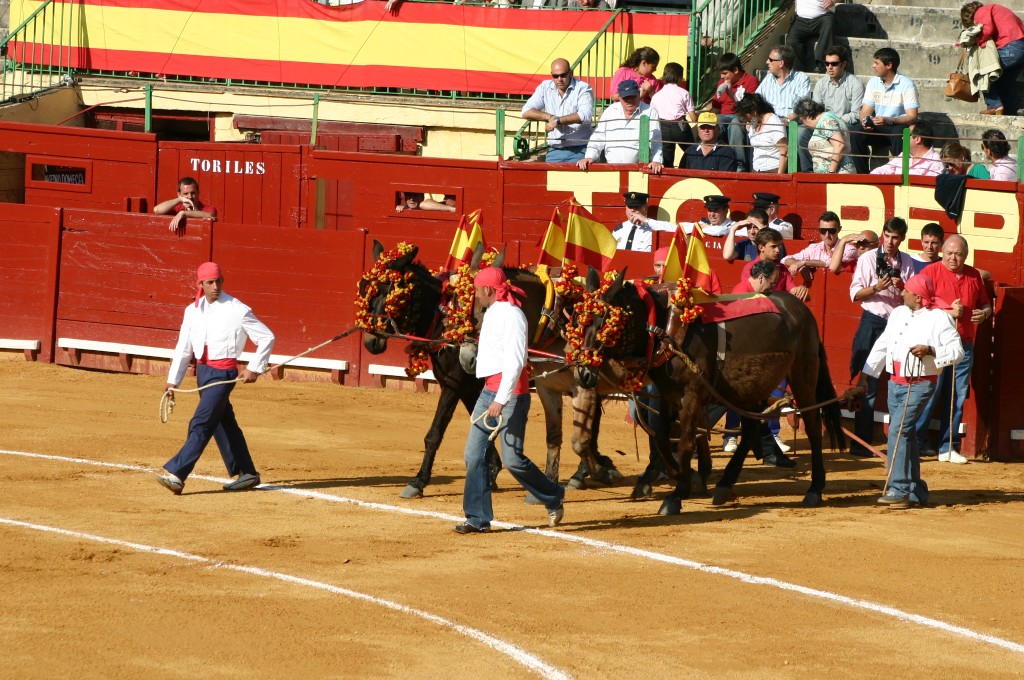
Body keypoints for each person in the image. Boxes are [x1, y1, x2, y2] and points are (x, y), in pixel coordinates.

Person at [455, 267, 565, 533]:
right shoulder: (492, 312)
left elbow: (515, 362)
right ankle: (477, 518)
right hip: (489, 392)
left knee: (513, 460)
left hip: (511, 395)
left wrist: (501, 399)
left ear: (489, 290)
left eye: (478, 290)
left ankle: (553, 496)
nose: (476, 295)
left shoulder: (513, 315)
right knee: (473, 455)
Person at [156, 262, 275, 495]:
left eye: (218, 281)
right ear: (199, 283)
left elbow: (267, 337)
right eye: (210, 282)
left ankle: (178, 474)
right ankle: (246, 472)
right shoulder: (192, 311)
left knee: (201, 422)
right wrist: (173, 381)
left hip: (223, 374)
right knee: (223, 423)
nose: (215, 286)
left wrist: (254, 368)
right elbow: (184, 347)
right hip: (203, 372)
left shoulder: (237, 309)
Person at [861, 274, 964, 508]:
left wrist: (931, 350)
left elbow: (957, 351)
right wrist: (866, 375)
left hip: (920, 382)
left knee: (898, 431)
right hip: (895, 382)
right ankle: (916, 490)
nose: (902, 293)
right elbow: (884, 343)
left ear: (918, 296)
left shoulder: (939, 318)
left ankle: (899, 488)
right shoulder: (898, 313)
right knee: (906, 435)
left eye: (906, 290)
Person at [913, 235, 993, 463]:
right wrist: (947, 311)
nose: (953, 258)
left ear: (966, 255)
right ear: (942, 252)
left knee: (956, 396)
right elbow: (919, 304)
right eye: (949, 253)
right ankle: (918, 441)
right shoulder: (930, 272)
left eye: (958, 254)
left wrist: (985, 313)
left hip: (963, 344)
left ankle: (948, 446)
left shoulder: (973, 275)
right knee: (931, 391)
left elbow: (985, 303)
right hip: (935, 344)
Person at [847, 216, 916, 457]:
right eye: (887, 236)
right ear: (882, 234)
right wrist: (877, 287)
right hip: (873, 322)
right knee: (868, 382)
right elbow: (855, 294)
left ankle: (900, 442)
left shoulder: (906, 261)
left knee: (901, 379)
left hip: (897, 323)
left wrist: (901, 287)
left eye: (895, 237)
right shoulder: (867, 258)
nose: (890, 241)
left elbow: (913, 297)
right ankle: (861, 443)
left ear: (902, 239)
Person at [850, 47, 919, 174]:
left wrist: (889, 120)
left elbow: (912, 116)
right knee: (856, 131)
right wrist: (865, 121)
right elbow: (865, 110)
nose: (873, 66)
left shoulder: (907, 84)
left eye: (877, 63)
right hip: (878, 126)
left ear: (889, 65)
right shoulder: (873, 82)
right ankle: (862, 175)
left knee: (900, 132)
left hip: (896, 126)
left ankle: (903, 174)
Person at [578, 80, 663, 174]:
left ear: (639, 94)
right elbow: (598, 137)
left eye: (632, 97)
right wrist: (590, 157)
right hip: (611, 171)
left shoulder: (649, 112)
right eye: (626, 98)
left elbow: (656, 140)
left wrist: (656, 161)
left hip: (638, 172)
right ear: (619, 97)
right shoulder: (610, 111)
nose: (629, 101)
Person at [521, 58, 595, 163]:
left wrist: (558, 121)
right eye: (555, 76)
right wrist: (550, 117)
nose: (559, 79)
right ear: (551, 75)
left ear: (570, 73)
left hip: (580, 149)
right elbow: (525, 111)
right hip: (555, 150)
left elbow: (585, 115)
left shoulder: (583, 88)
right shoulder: (545, 87)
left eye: (563, 75)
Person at [806, 45, 864, 172]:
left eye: (834, 63)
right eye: (826, 63)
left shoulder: (855, 83)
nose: (829, 67)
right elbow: (815, 111)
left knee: (855, 132)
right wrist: (826, 122)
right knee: (801, 132)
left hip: (845, 124)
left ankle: (854, 170)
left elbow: (856, 113)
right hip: (823, 124)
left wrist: (833, 121)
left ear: (844, 64)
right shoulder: (821, 83)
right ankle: (808, 171)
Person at [960, 2, 1024, 116]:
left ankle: (994, 106)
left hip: (1012, 47)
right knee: (1003, 85)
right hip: (1019, 48)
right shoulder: (996, 10)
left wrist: (975, 40)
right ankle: (1009, 113)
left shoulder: (981, 12)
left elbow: (987, 30)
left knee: (984, 71)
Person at [710, 53, 760, 171]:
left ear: (736, 70)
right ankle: (715, 159)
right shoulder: (721, 82)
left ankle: (738, 163)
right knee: (715, 121)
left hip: (743, 116)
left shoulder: (751, 81)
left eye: (725, 73)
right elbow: (716, 108)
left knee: (735, 123)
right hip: (724, 115)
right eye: (721, 73)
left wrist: (730, 93)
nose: (722, 76)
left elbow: (749, 109)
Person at [738, 228, 809, 301]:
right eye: (773, 246)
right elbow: (750, 297)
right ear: (761, 247)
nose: (778, 250)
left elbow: (792, 289)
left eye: (778, 246)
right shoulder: (750, 268)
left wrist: (800, 290)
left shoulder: (782, 268)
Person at [650, 62, 697, 168]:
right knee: (692, 152)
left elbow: (653, 115)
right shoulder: (684, 93)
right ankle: (684, 169)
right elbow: (693, 118)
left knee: (667, 158)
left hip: (662, 126)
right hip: (680, 126)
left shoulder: (656, 96)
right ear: (679, 77)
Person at [783, 211, 856, 277]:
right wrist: (799, 264)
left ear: (839, 229)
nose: (827, 235)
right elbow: (785, 259)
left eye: (832, 231)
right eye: (823, 230)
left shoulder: (849, 249)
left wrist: (804, 262)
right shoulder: (814, 248)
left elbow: (832, 264)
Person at [794, 98, 855, 174]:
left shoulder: (827, 121)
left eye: (801, 120)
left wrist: (831, 172)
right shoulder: (825, 121)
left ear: (806, 116)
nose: (804, 124)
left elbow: (839, 145)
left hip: (837, 174)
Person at [755, 45, 811, 124]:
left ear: (781, 63)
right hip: (769, 124)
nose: (767, 62)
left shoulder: (801, 79)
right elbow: (756, 102)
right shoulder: (768, 78)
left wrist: (786, 121)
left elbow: (804, 107)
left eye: (771, 59)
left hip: (792, 125)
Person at [734, 93, 788, 174]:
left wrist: (779, 178)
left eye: (745, 115)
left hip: (773, 170)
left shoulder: (774, 122)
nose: (744, 118)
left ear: (754, 112)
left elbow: (785, 152)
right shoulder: (754, 121)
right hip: (756, 170)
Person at [869, 120, 943, 177]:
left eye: (906, 134)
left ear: (917, 139)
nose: (902, 137)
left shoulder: (935, 162)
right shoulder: (904, 155)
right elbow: (884, 170)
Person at [611, 191, 677, 252]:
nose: (633, 210)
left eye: (637, 207)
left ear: (645, 208)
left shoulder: (654, 228)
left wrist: (646, 220)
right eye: (630, 206)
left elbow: (681, 229)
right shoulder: (619, 230)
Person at [787, 0, 838, 73]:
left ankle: (822, 62)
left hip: (823, 17)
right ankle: (797, 68)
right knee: (791, 40)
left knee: (829, 26)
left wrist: (833, 1)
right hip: (800, 20)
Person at [723, 207, 787, 262]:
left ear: (766, 226)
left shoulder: (776, 245)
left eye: (756, 227)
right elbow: (727, 256)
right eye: (748, 227)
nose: (752, 232)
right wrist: (732, 230)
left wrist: (764, 230)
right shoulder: (744, 245)